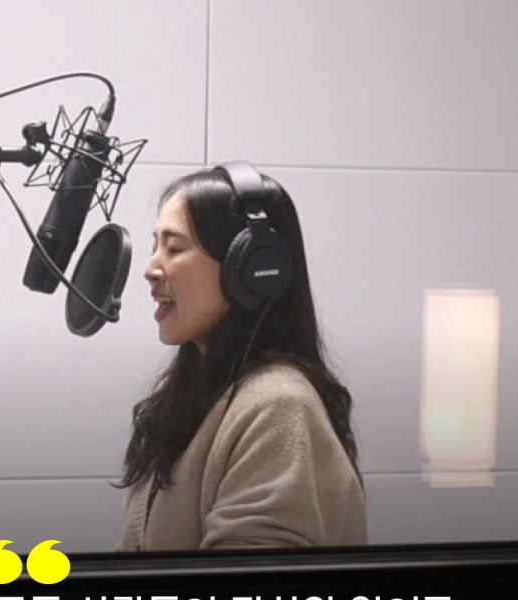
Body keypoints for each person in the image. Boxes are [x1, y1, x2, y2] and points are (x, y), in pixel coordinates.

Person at [117, 161, 367, 551]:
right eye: (155, 248)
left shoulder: (277, 405)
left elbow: (247, 583)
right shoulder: (185, 394)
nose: (150, 269)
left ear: (252, 267)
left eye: (174, 248)